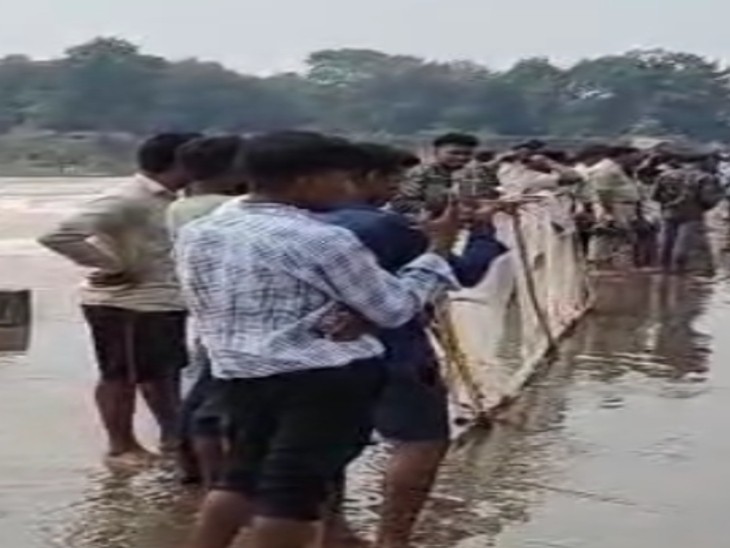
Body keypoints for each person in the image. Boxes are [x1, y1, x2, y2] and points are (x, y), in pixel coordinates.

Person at [177, 131, 462, 548]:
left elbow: (226, 298)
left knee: (241, 478)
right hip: (320, 379)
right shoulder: (322, 239)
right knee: (293, 495)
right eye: (341, 178)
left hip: (238, 372)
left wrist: (340, 312)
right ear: (305, 181)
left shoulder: (200, 231)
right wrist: (438, 250)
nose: (347, 189)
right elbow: (394, 308)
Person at [317, 143, 508, 548]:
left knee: (327, 443)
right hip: (394, 349)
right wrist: (482, 231)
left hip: (318, 353)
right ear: (369, 177)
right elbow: (463, 273)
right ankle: (393, 539)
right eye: (393, 180)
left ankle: (332, 532)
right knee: (420, 440)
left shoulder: (301, 223)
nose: (397, 189)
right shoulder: (386, 227)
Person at [38, 132, 200, 465]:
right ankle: (121, 446)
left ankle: (173, 438)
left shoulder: (173, 200)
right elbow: (59, 235)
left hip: (162, 300)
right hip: (125, 302)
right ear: (178, 162)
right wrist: (113, 266)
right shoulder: (129, 198)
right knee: (120, 375)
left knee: (163, 374)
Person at [168, 135, 247, 487]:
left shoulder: (180, 207)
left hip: (205, 310)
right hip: (236, 313)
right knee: (214, 398)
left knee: (202, 388)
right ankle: (216, 476)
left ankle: (189, 464)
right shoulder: (233, 207)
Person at [652, 154, 723, 274]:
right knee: (684, 245)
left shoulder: (664, 175)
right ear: (702, 161)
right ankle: (678, 272)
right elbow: (708, 199)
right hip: (691, 215)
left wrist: (667, 203)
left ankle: (664, 270)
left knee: (666, 243)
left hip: (668, 212)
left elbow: (655, 196)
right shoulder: (705, 177)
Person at [391, 132, 480, 216]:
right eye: (454, 153)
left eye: (467, 154)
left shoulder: (474, 173)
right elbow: (401, 203)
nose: (461, 157)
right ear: (436, 152)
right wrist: (441, 210)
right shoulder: (421, 172)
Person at [584, 146, 642, 272]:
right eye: (633, 156)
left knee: (620, 236)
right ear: (623, 154)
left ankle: (615, 264)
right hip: (614, 205)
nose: (635, 159)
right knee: (606, 234)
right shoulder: (606, 169)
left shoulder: (618, 168)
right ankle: (598, 263)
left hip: (622, 205)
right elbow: (603, 192)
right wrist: (608, 212)